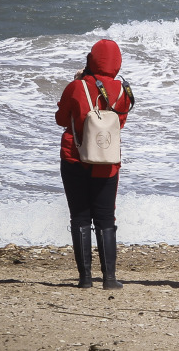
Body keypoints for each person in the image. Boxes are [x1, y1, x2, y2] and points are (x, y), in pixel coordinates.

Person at [55, 39, 134, 290]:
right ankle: (109, 279)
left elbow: (60, 119)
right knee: (105, 218)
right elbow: (118, 124)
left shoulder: (77, 86)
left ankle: (85, 278)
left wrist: (79, 80)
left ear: (91, 60)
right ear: (117, 62)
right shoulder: (123, 91)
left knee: (79, 217)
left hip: (74, 156)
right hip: (106, 161)